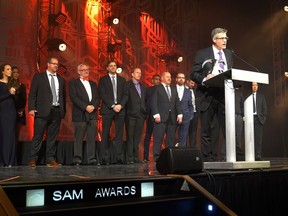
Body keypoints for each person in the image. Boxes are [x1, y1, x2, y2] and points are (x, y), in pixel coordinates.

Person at [190, 27, 233, 162]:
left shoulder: (229, 54)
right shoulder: (203, 53)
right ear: (215, 40)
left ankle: (226, 157)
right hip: (207, 95)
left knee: (225, 129)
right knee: (207, 130)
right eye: (222, 38)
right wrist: (204, 79)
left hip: (224, 95)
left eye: (226, 38)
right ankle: (208, 159)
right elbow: (193, 73)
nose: (225, 40)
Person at [28, 57, 66, 167]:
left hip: (56, 111)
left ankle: (50, 159)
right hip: (42, 111)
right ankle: (33, 159)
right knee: (38, 136)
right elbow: (32, 94)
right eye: (54, 64)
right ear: (48, 64)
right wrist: (31, 108)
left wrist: (63, 111)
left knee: (52, 137)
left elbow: (63, 97)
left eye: (57, 64)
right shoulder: (39, 77)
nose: (56, 66)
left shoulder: (61, 79)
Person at [69, 63, 100, 165]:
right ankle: (77, 159)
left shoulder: (93, 84)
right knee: (79, 138)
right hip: (80, 114)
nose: (86, 71)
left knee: (91, 137)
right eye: (83, 70)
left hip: (92, 114)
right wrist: (85, 107)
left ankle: (91, 159)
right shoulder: (74, 83)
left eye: (87, 69)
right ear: (79, 72)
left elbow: (97, 98)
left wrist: (93, 106)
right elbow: (74, 97)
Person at [98, 60, 128, 165]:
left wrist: (120, 105)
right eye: (111, 66)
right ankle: (104, 159)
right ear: (107, 68)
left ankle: (119, 157)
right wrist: (113, 105)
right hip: (108, 109)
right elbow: (102, 94)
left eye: (115, 66)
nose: (113, 67)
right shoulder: (103, 80)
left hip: (120, 110)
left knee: (119, 135)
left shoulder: (122, 80)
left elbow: (126, 94)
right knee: (105, 133)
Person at [151, 72, 182, 162]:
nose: (169, 78)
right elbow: (153, 102)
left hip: (172, 118)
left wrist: (180, 114)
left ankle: (169, 156)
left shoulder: (173, 89)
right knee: (158, 138)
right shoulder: (157, 88)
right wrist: (156, 114)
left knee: (171, 139)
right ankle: (157, 157)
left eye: (170, 77)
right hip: (161, 118)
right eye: (167, 76)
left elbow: (177, 103)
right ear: (162, 78)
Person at [125, 67, 147, 164]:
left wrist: (144, 111)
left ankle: (136, 157)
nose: (139, 74)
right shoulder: (127, 85)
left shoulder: (143, 87)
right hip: (131, 114)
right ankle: (129, 158)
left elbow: (144, 100)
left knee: (137, 137)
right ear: (132, 74)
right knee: (130, 136)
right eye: (137, 72)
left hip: (140, 115)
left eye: (140, 73)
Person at [0, 63, 17, 167]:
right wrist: (8, 94)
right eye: (8, 69)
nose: (10, 71)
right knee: (3, 135)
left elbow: (16, 100)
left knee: (11, 135)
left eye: (11, 69)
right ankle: (3, 160)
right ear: (3, 71)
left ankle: (10, 160)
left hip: (12, 112)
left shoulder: (13, 83)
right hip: (2, 112)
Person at [143, 74, 161, 163]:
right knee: (148, 136)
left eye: (159, 79)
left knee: (158, 137)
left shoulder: (161, 90)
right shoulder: (148, 90)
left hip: (159, 116)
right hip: (150, 116)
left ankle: (157, 156)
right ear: (152, 80)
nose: (158, 81)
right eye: (156, 79)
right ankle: (145, 157)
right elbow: (146, 102)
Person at [175, 73, 193, 147]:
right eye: (179, 77)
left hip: (186, 117)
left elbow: (190, 104)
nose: (181, 79)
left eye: (183, 77)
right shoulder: (172, 89)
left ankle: (180, 154)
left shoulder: (188, 91)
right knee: (171, 136)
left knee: (183, 137)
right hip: (173, 115)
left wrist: (190, 115)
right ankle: (171, 154)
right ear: (176, 79)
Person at [10, 66, 27, 143]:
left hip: (19, 112)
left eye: (17, 72)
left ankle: (15, 153)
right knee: (9, 134)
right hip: (9, 111)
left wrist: (21, 110)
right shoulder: (7, 86)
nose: (16, 74)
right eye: (14, 72)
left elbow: (24, 99)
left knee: (17, 134)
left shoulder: (22, 86)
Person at [251, 82, 267, 161]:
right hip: (250, 119)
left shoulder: (261, 96)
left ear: (257, 87)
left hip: (258, 119)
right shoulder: (247, 96)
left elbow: (264, 109)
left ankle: (258, 155)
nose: (254, 87)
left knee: (258, 138)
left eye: (256, 85)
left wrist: (263, 119)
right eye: (253, 85)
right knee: (250, 138)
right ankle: (251, 155)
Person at [186, 78, 199, 147]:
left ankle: (192, 149)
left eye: (194, 84)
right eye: (191, 83)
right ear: (187, 82)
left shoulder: (195, 91)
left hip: (194, 113)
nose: (193, 85)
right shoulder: (183, 90)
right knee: (185, 132)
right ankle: (183, 150)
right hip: (186, 114)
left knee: (193, 132)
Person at [235, 86, 244, 160]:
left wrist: (243, 116)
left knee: (238, 137)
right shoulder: (228, 93)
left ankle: (238, 156)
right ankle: (225, 155)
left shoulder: (240, 94)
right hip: (229, 117)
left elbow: (242, 106)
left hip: (238, 116)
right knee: (228, 137)